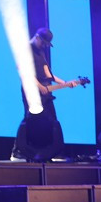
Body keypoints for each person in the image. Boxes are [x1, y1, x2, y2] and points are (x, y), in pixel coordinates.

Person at [12, 27, 76, 161]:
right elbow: (24, 71)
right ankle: (17, 150)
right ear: (37, 37)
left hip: (45, 91)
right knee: (29, 118)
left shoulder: (41, 52)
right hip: (31, 89)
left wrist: (65, 82)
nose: (45, 46)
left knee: (52, 119)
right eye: (44, 43)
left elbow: (48, 74)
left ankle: (56, 151)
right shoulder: (26, 49)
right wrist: (39, 86)